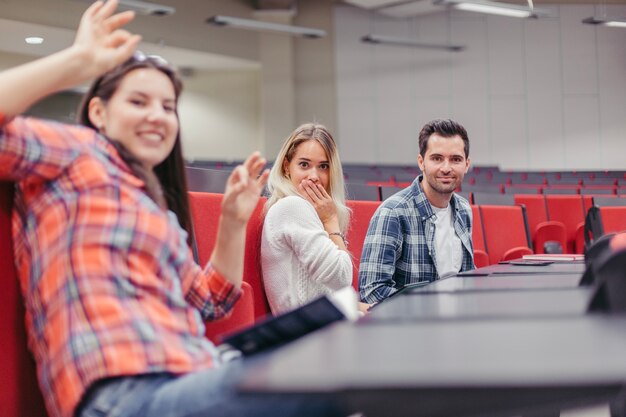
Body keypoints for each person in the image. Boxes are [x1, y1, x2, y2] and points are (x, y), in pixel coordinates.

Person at [0, 2, 343, 417]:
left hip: (190, 375)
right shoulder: (74, 153)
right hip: (123, 393)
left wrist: (233, 222)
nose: (157, 116)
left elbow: (209, 302)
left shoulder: (155, 209)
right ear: (98, 112)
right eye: (139, 102)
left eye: (167, 107)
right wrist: (78, 62)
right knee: (341, 380)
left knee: (339, 368)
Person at [359, 119, 475, 304]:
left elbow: (467, 278)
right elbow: (372, 292)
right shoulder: (393, 213)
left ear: (466, 164)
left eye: (455, 159)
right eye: (437, 158)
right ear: (421, 162)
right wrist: (431, 304)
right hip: (412, 325)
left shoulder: (464, 210)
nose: (446, 168)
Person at [261, 123, 357, 315]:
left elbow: (329, 291)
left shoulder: (307, 211)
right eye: (304, 165)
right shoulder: (293, 207)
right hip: (306, 336)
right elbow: (342, 279)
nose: (314, 176)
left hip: (320, 325)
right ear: (287, 167)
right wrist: (330, 220)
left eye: (323, 167)